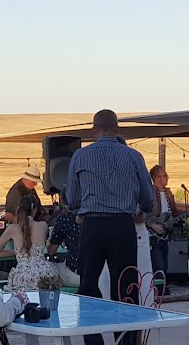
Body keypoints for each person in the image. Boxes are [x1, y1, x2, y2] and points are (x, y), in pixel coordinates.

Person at [66, 110, 156, 304]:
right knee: (125, 286)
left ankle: (92, 333)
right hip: (123, 226)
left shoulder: (80, 156)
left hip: (92, 226)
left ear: (93, 130)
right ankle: (125, 334)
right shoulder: (133, 156)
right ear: (117, 129)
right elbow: (148, 200)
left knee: (88, 283)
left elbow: (72, 199)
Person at [0, 195, 57, 295]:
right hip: (44, 273)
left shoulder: (12, 228)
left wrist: (18, 251)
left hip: (22, 275)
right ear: (34, 209)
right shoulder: (43, 225)